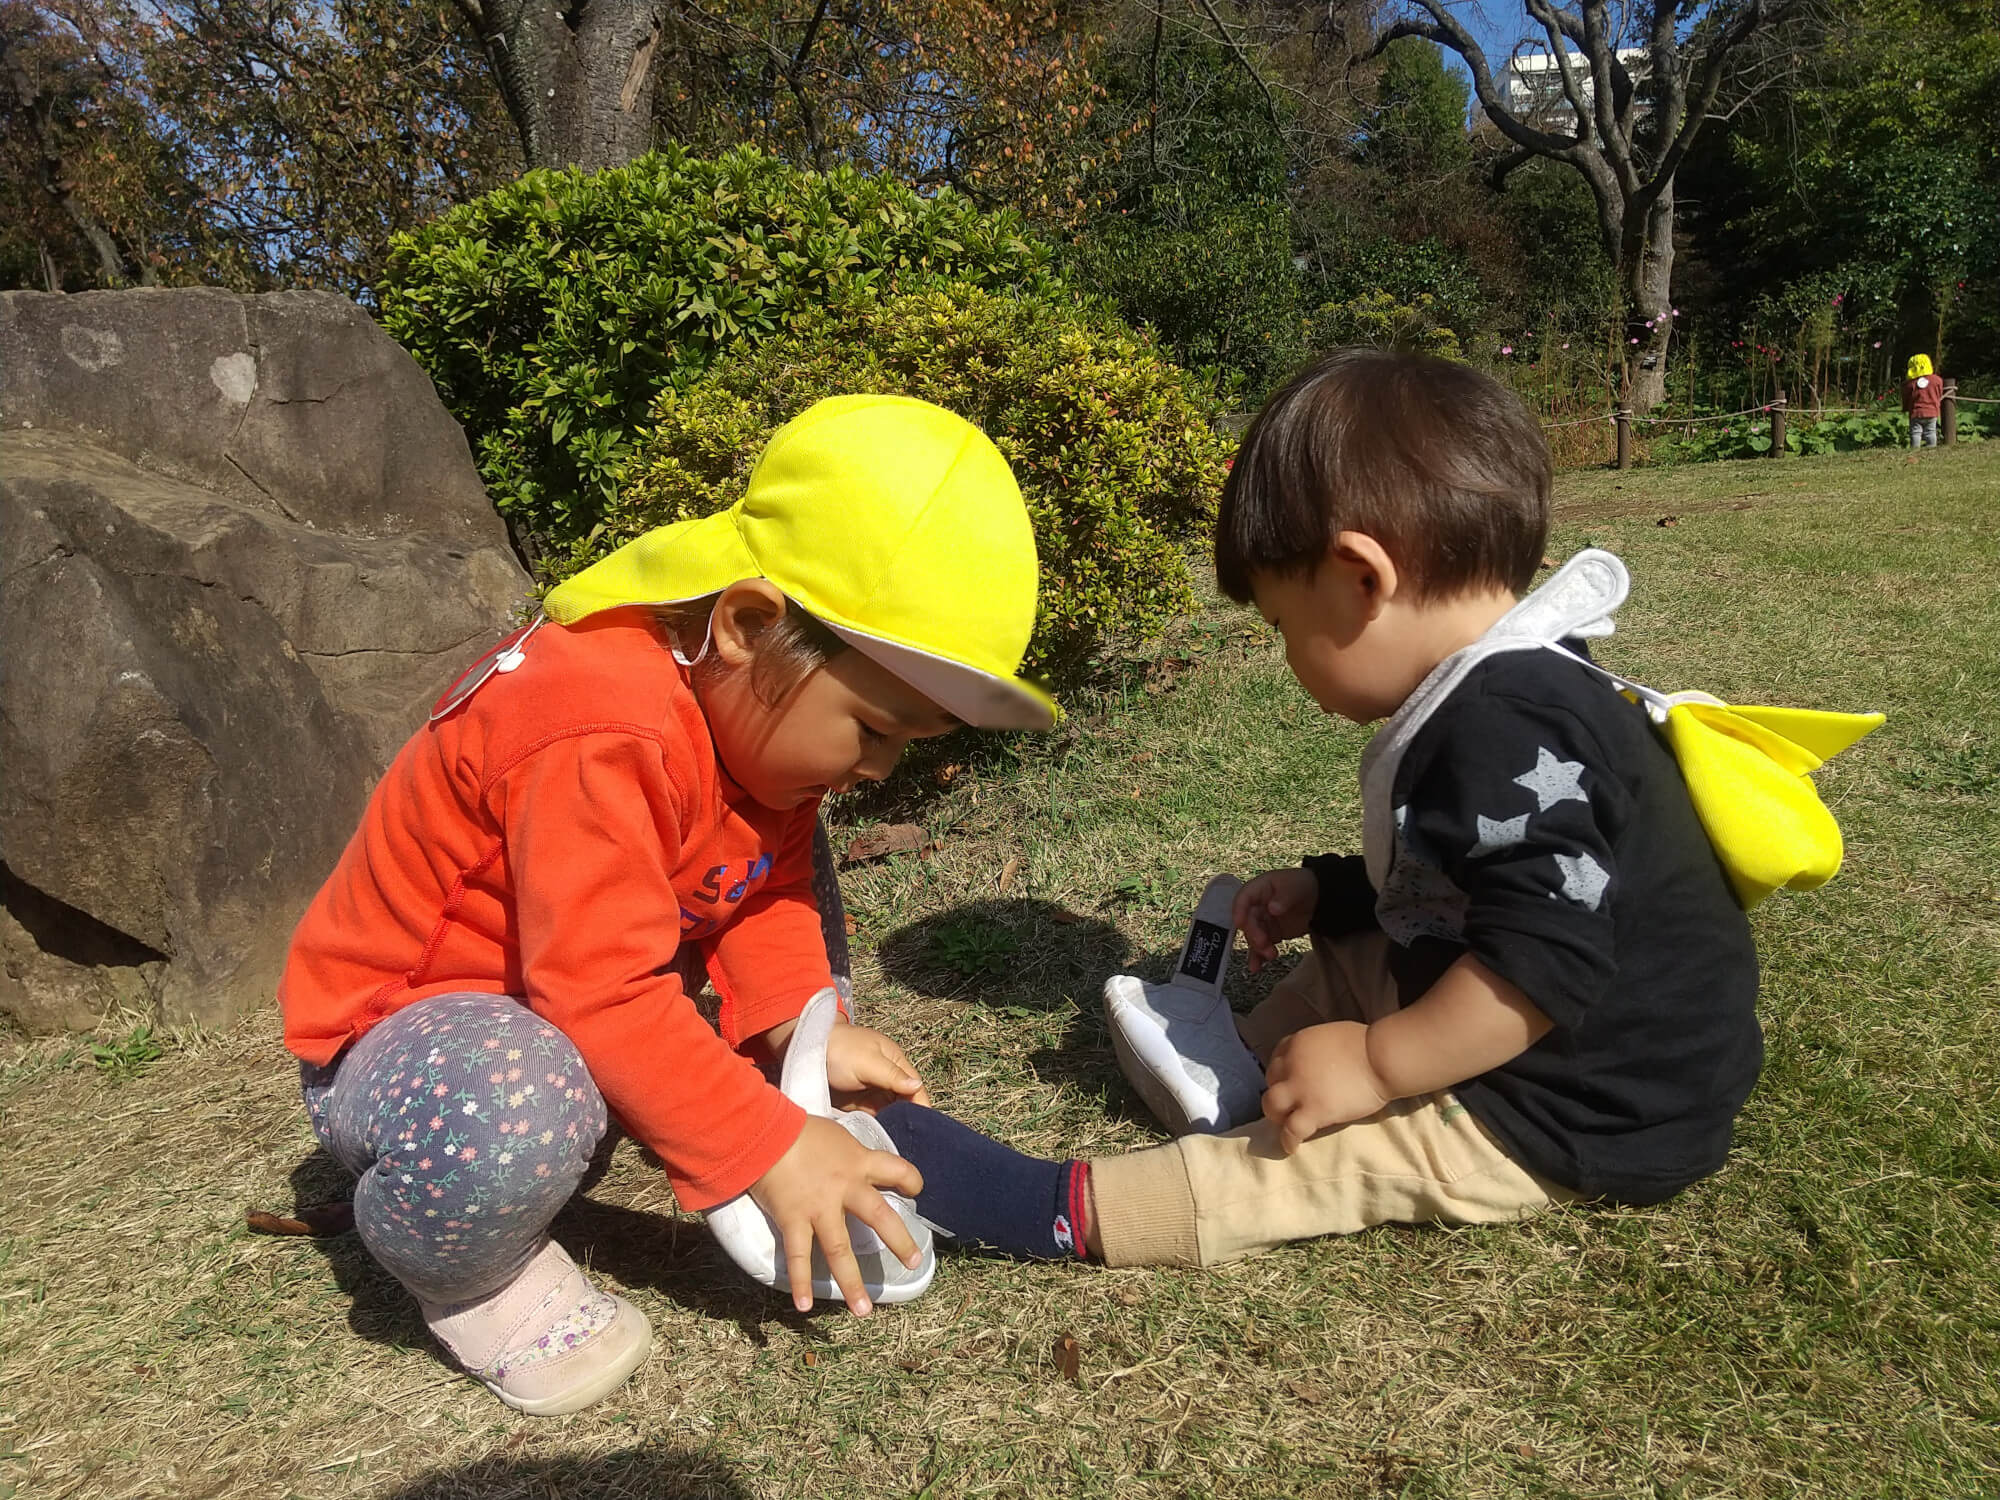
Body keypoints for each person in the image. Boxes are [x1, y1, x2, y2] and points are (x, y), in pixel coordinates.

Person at [867, 349, 1762, 1271]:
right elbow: (1477, 877)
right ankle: (1236, 1072)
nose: (1291, 662)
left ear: (1362, 579)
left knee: (1315, 1166)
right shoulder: (1511, 684)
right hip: (1581, 1029)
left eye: (1286, 628)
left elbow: (1539, 964)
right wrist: (1332, 894)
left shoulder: (1503, 724)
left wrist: (1377, 1064)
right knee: (1355, 958)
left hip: (1587, 1098)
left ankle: (1053, 1207)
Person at [278, 394, 1057, 1414]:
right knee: (518, 1106)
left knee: (605, 1052)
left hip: (549, 1012)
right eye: (872, 729)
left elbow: (763, 883)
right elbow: (598, 993)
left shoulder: (744, 729)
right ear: (745, 625)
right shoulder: (595, 724)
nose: (878, 768)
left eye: (908, 743)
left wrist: (795, 1023)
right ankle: (470, 1277)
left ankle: (608, 1114)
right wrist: (768, 1146)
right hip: (405, 1043)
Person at [1902, 354, 1943, 449]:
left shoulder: (1909, 384)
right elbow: (1939, 394)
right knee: (1931, 431)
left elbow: (1906, 398)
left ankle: (1915, 449)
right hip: (1932, 412)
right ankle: (1932, 448)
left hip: (1916, 413)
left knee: (1915, 432)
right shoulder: (1937, 380)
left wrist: (1905, 408)